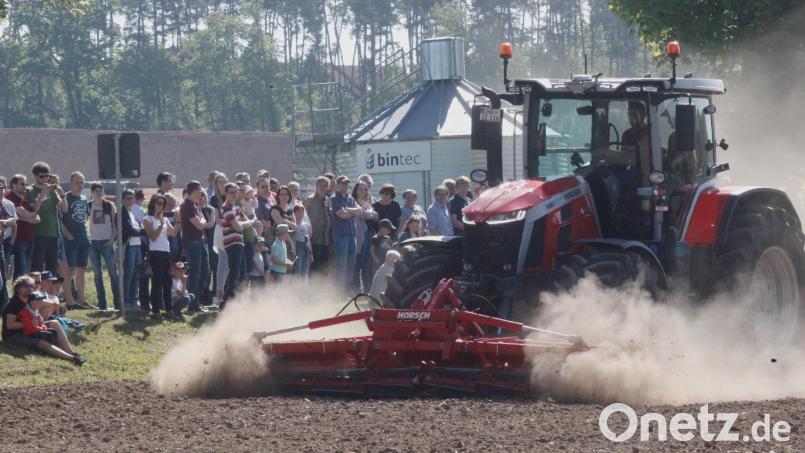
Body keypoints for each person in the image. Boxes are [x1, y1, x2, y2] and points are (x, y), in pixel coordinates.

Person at [2, 276, 84, 366]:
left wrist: (39, 318)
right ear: (19, 288)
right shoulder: (14, 304)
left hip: (27, 329)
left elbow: (41, 304)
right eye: (28, 286)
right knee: (43, 344)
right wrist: (28, 323)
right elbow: (10, 326)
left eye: (32, 286)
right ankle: (72, 358)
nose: (31, 288)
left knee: (55, 323)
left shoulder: (28, 299)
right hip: (13, 335)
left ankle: (71, 352)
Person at [27, 161, 67, 273]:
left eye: (47, 176)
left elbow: (64, 209)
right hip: (39, 234)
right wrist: (42, 195)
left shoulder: (52, 191)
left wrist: (62, 194)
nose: (45, 179)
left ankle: (50, 290)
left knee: (52, 268)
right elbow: (34, 210)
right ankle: (36, 290)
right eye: (41, 176)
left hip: (54, 234)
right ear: (35, 176)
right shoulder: (30, 190)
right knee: (37, 267)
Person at [60, 173, 92, 310]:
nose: (80, 184)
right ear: (71, 183)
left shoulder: (84, 198)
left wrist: (87, 235)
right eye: (77, 182)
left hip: (83, 238)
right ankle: (69, 300)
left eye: (82, 182)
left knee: (82, 269)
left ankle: (81, 300)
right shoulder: (65, 197)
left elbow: (85, 218)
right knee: (69, 270)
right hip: (70, 240)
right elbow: (59, 219)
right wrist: (67, 234)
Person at [87, 182, 120, 310]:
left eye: (101, 191)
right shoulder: (88, 206)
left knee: (113, 272)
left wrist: (112, 239)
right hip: (93, 243)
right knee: (97, 274)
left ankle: (118, 303)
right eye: (96, 191)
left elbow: (115, 225)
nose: (99, 193)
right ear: (92, 192)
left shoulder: (109, 205)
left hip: (107, 242)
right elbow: (85, 224)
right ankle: (102, 304)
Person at [143, 194, 176, 319]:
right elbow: (153, 237)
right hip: (155, 252)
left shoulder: (165, 219)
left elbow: (173, 232)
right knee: (156, 282)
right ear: (153, 203)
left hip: (166, 252)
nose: (160, 206)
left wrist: (177, 221)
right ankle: (155, 310)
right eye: (158, 203)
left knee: (167, 281)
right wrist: (161, 224)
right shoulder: (148, 219)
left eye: (163, 204)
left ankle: (169, 309)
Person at [221, 182, 254, 303]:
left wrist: (245, 223)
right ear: (226, 193)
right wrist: (246, 223)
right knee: (235, 274)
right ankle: (227, 302)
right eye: (231, 192)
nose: (234, 194)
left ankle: (236, 300)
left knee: (241, 273)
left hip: (239, 243)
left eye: (236, 192)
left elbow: (247, 223)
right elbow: (238, 227)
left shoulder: (236, 207)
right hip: (233, 244)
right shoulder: (227, 209)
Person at [180, 181, 209, 314]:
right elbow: (199, 224)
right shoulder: (187, 205)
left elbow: (203, 220)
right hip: (192, 243)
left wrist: (202, 222)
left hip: (201, 242)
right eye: (200, 191)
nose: (202, 194)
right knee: (195, 273)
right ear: (195, 191)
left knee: (204, 271)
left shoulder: (196, 204)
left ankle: (197, 301)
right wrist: (202, 222)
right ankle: (193, 303)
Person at [331, 176, 363, 289]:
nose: (345, 185)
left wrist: (348, 210)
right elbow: (342, 215)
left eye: (347, 183)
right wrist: (351, 212)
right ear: (338, 185)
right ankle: (339, 291)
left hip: (352, 236)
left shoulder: (350, 198)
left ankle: (347, 290)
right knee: (342, 265)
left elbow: (360, 211)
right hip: (341, 236)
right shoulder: (334, 199)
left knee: (351, 264)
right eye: (343, 183)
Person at [6, 174, 39, 278]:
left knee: (21, 272)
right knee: (23, 270)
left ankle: (18, 293)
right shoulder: (9, 197)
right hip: (19, 238)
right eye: (22, 184)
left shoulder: (23, 198)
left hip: (29, 237)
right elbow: (29, 214)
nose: (25, 186)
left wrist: (31, 217)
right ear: (13, 185)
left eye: (26, 184)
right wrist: (41, 198)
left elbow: (37, 216)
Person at [352, 180, 378, 292]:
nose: (362, 191)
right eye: (360, 189)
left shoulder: (366, 203)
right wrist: (370, 212)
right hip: (359, 236)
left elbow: (376, 216)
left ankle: (367, 290)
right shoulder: (353, 202)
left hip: (369, 235)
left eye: (365, 189)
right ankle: (357, 290)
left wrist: (370, 212)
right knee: (358, 263)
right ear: (356, 190)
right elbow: (364, 215)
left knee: (367, 264)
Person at [303, 176, 332, 273]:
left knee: (325, 268)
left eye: (325, 186)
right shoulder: (309, 200)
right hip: (314, 240)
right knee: (315, 268)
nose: (323, 188)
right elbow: (303, 218)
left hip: (327, 240)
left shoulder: (328, 200)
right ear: (316, 186)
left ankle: (322, 287)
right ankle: (313, 288)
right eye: (321, 186)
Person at [121, 189, 143, 310]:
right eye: (128, 198)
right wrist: (143, 230)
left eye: (132, 198)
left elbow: (136, 229)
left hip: (137, 246)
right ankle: (125, 301)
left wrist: (139, 230)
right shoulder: (122, 213)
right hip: (129, 246)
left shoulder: (132, 213)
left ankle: (134, 300)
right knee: (128, 274)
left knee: (137, 274)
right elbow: (130, 230)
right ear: (123, 200)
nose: (130, 200)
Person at [0, 176, 16, 308]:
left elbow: (12, 220)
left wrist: (5, 222)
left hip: (2, 243)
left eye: (2, 188)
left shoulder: (4, 205)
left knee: (3, 277)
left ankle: (4, 307)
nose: (1, 191)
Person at [292, 205, 312, 280]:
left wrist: (311, 253)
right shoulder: (293, 225)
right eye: (298, 212)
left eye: (302, 212)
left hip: (306, 249)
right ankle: (297, 289)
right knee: (298, 272)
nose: (300, 214)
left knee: (305, 272)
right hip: (298, 249)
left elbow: (308, 239)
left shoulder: (306, 224)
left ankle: (304, 289)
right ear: (294, 213)